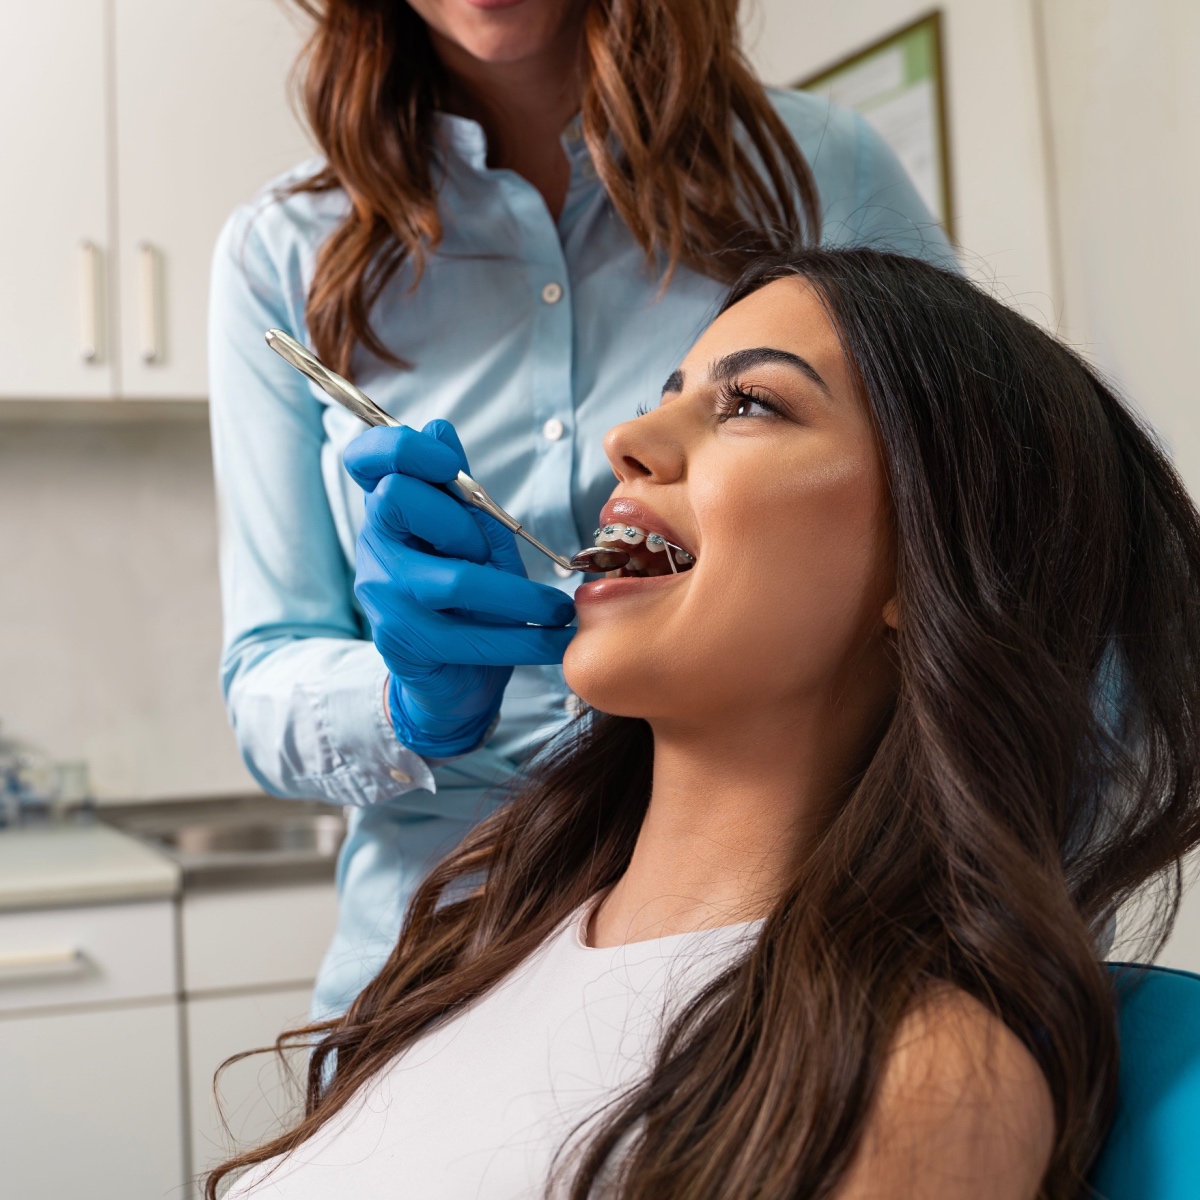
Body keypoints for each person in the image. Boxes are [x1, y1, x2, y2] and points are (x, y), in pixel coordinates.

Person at [208, 248, 1200, 1200]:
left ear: (932, 553)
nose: (624, 442)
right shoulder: (483, 937)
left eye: (751, 403)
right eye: (665, 394)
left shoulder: (919, 1073)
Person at [208, 0, 953, 1019]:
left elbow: (978, 534)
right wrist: (403, 700)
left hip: (785, 955)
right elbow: (265, 668)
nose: (629, 442)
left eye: (744, 400)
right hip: (432, 959)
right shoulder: (280, 253)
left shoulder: (824, 171)